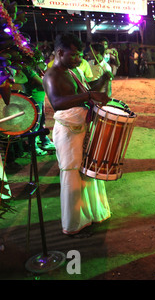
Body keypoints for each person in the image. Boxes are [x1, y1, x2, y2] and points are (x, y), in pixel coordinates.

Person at [43, 33, 112, 236]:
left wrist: (103, 79)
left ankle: (90, 214)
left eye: (79, 55)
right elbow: (57, 102)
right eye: (73, 55)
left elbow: (85, 89)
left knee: (87, 170)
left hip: (81, 129)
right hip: (67, 132)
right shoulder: (52, 75)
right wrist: (90, 95)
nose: (78, 59)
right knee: (72, 173)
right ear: (60, 52)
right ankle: (73, 222)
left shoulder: (73, 72)